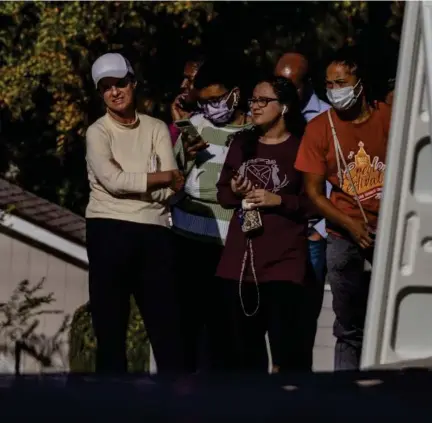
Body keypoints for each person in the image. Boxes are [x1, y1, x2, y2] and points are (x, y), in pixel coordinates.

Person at [85, 52, 186, 375]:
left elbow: (170, 190)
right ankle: (113, 407)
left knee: (166, 327)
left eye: (121, 83)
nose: (115, 92)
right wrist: (160, 178)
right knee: (110, 328)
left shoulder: (156, 128)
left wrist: (157, 183)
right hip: (108, 229)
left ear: (134, 83)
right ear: (100, 94)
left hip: (153, 230)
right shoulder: (97, 132)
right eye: (106, 87)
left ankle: (176, 405)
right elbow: (114, 182)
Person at [295, 46, 391, 370]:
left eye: (342, 82)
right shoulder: (320, 128)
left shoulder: (389, 118)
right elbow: (313, 192)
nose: (335, 91)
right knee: (349, 327)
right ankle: (347, 396)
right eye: (329, 84)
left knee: (394, 319)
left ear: (361, 84)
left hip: (391, 230)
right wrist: (350, 226)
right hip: (343, 232)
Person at [216, 75, 311, 373]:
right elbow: (222, 194)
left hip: (284, 264)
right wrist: (237, 190)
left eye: (263, 100)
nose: (254, 107)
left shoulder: (300, 147)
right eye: (252, 100)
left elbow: (313, 203)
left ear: (283, 107)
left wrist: (278, 200)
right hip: (240, 264)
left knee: (286, 356)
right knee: (243, 357)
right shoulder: (242, 143)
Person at [170, 57, 255, 373]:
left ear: (235, 94)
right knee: (187, 329)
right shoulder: (196, 125)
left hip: (229, 246)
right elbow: (174, 178)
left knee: (226, 332)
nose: (210, 108)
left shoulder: (252, 132)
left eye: (217, 100)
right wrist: (184, 137)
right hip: (188, 241)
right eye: (204, 102)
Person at [274, 52, 331, 369]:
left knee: (303, 328)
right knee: (276, 327)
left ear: (307, 84)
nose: (281, 91)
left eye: (290, 85)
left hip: (309, 236)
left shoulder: (325, 119)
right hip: (275, 233)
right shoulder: (270, 113)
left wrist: (317, 231)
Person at [169, 56, 204, 145]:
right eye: (184, 79)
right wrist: (180, 123)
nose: (183, 85)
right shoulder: (190, 114)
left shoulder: (218, 115)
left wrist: (181, 124)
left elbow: (200, 150)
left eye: (189, 79)